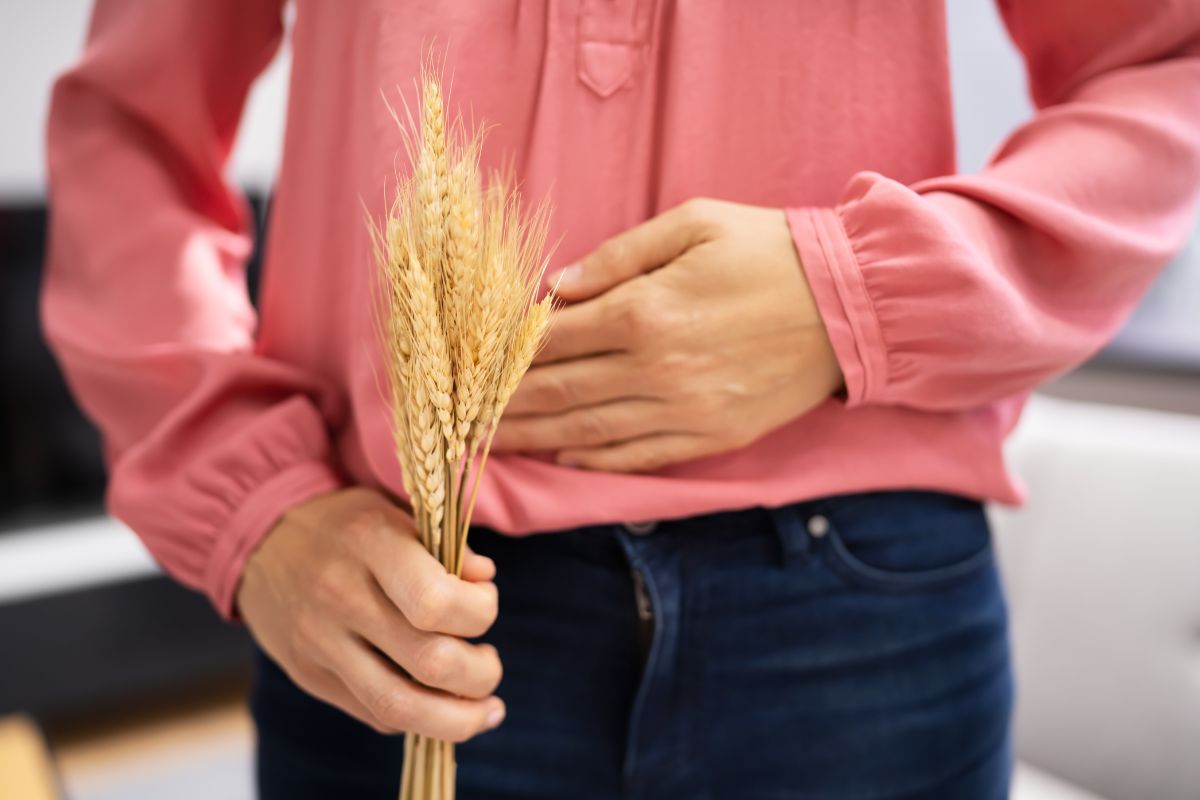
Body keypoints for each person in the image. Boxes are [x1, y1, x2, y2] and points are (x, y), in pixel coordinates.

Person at [43, 2, 1200, 798]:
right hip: (404, 614)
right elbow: (129, 130)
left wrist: (858, 295)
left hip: (856, 621)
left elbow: (1169, 61)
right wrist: (255, 505)